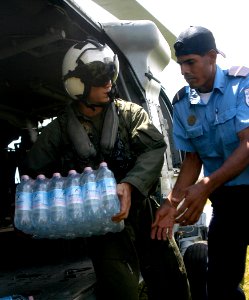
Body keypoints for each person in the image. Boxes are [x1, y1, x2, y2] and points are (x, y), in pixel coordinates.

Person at [21, 38, 191, 300]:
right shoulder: (59, 131)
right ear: (79, 84)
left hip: (142, 213)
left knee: (172, 281)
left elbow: (154, 148)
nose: (108, 82)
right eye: (99, 77)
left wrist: (131, 184)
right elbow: (33, 172)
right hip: (103, 223)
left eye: (110, 73)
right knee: (121, 290)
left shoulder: (130, 115)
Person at [151, 25, 249, 300]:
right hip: (227, 203)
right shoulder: (182, 104)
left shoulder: (242, 84)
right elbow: (192, 159)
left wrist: (205, 186)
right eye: (181, 64)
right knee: (219, 285)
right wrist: (171, 203)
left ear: (212, 56)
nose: (184, 70)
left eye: (190, 62)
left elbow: (248, 144)